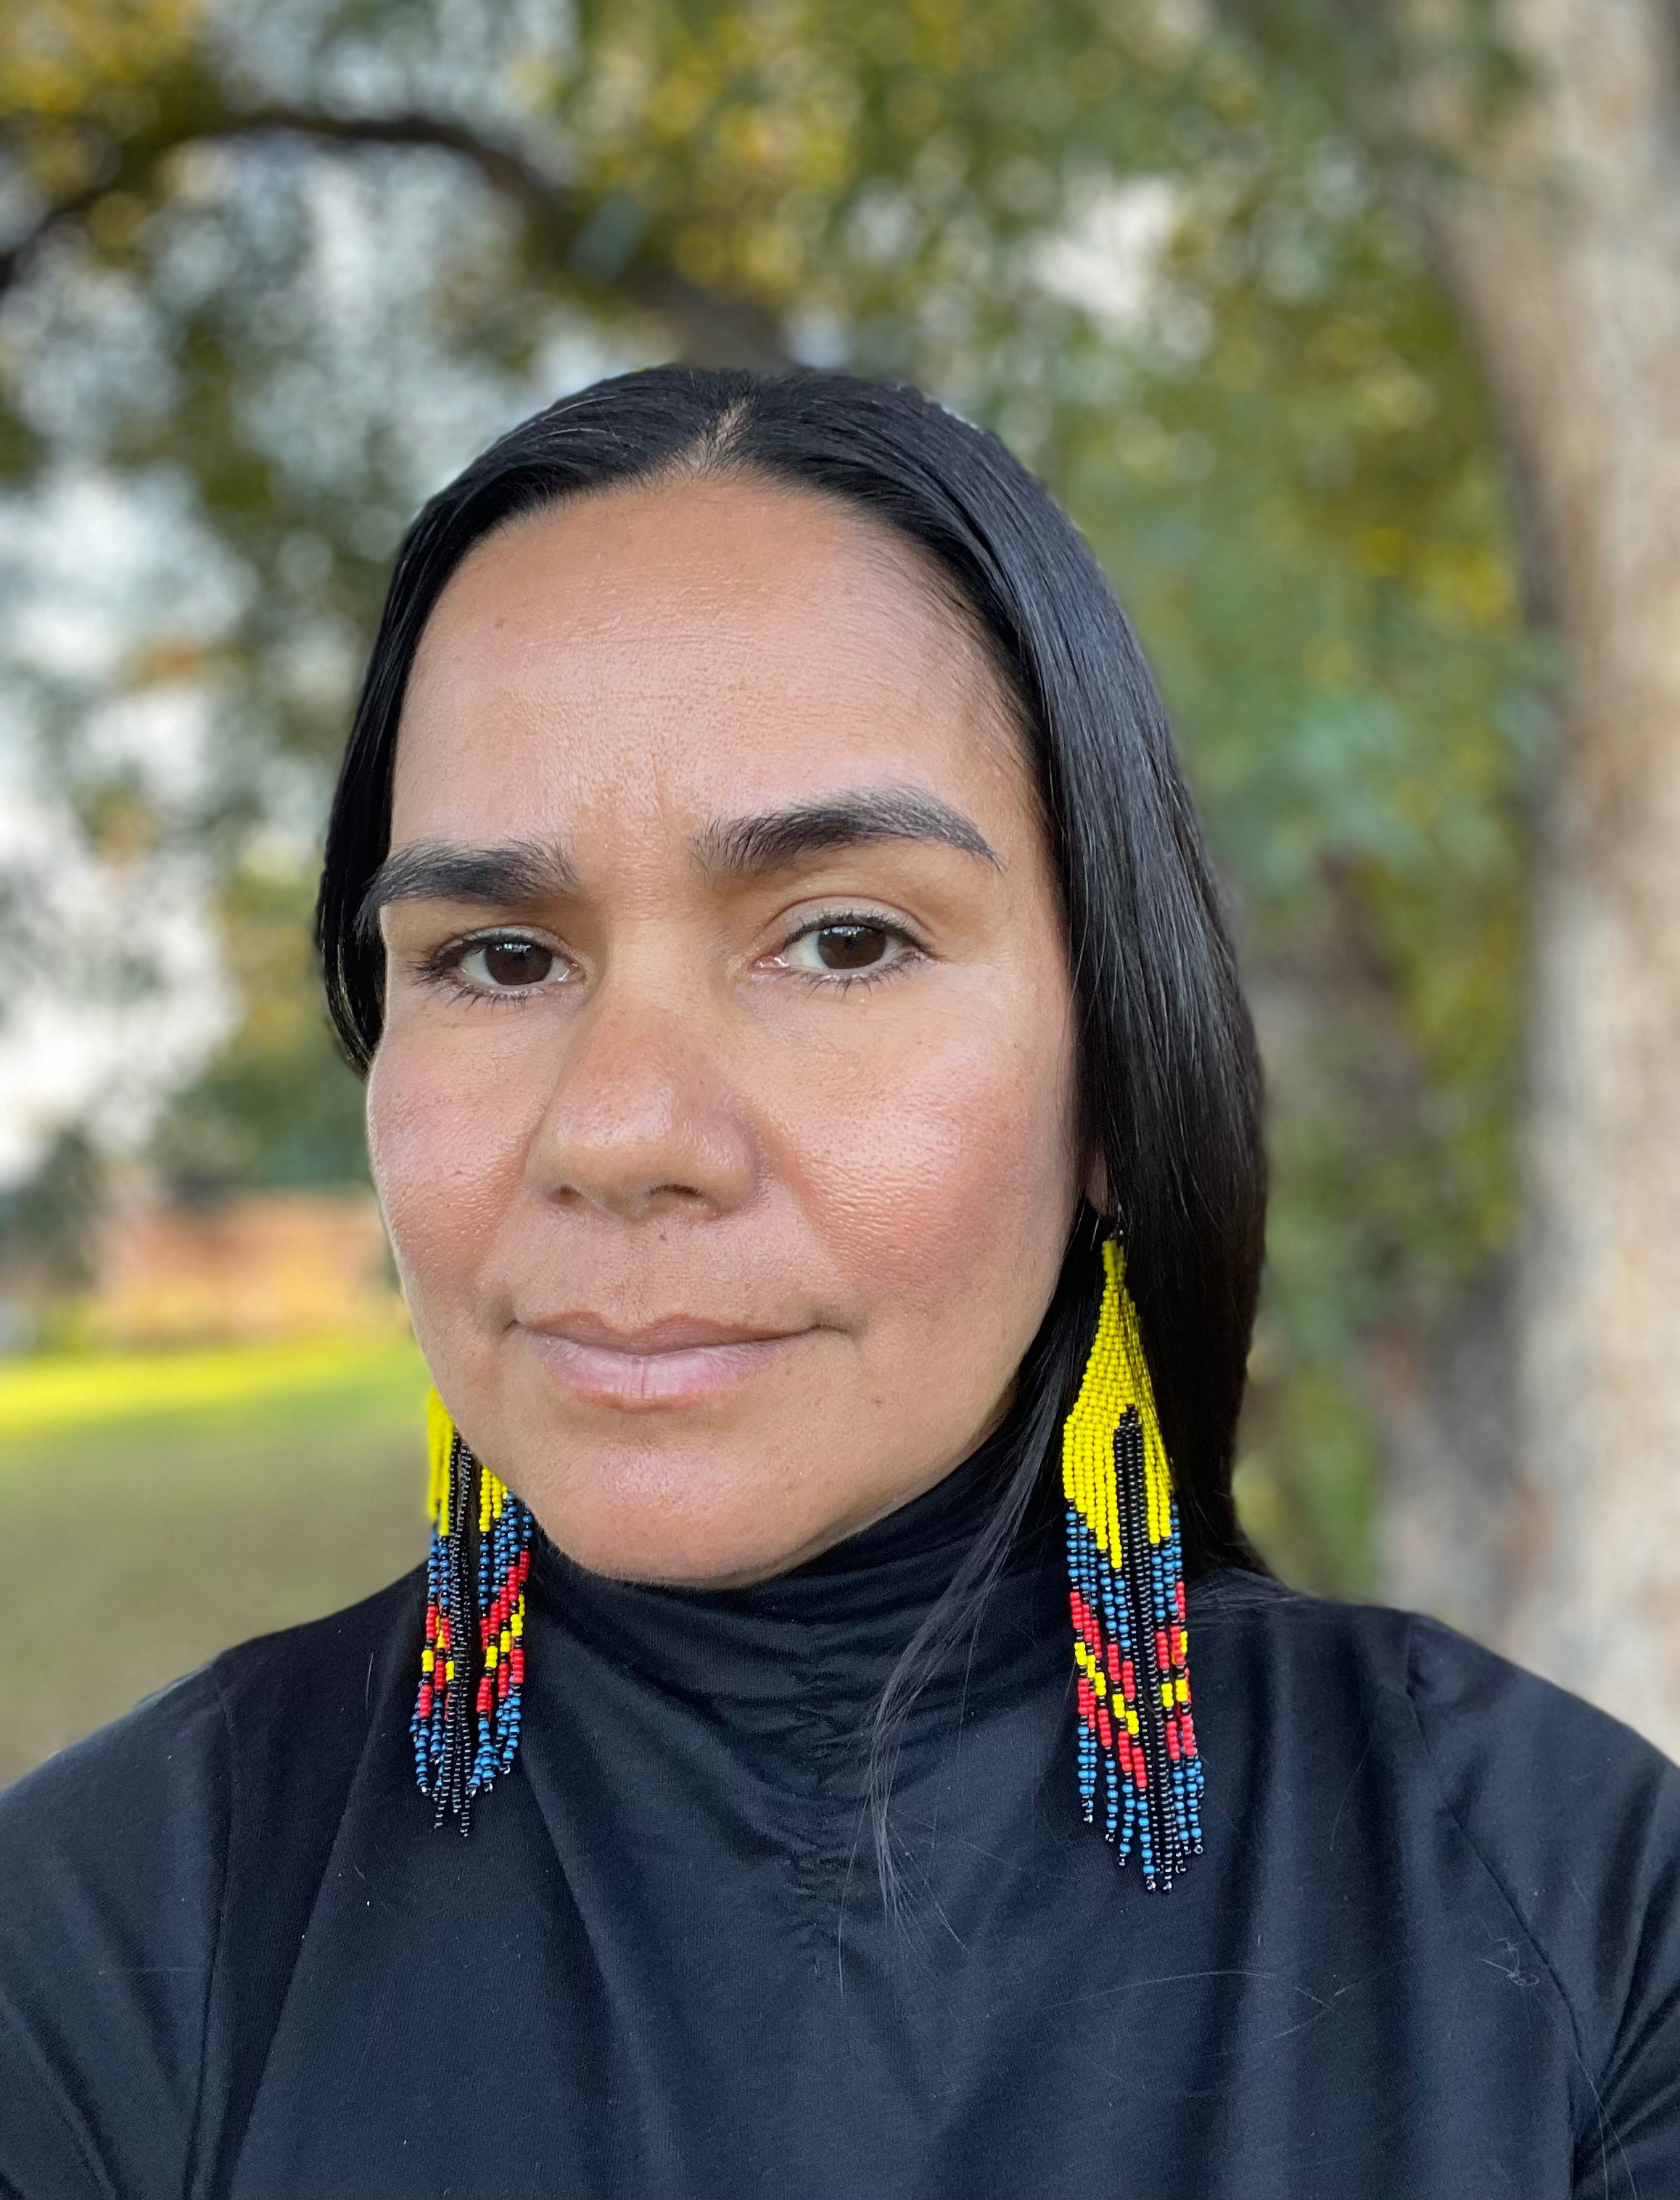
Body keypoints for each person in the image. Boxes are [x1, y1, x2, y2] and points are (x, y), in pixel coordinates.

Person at [1, 366, 1675, 2200]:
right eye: (495, 954)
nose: (624, 1129)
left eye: (843, 938)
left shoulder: (1588, 1927)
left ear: (1116, 1067)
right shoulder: (89, 1956)